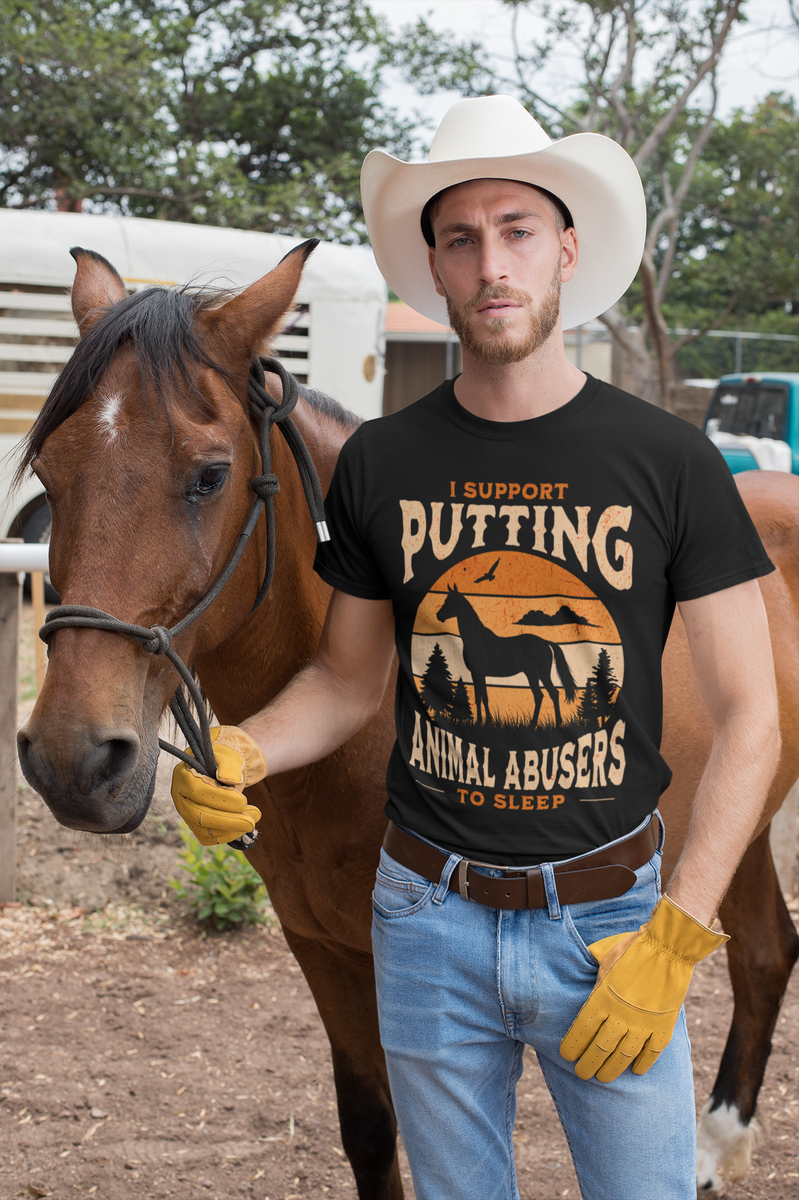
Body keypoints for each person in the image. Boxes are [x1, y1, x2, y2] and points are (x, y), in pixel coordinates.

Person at [171, 95, 780, 1199]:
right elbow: (348, 681)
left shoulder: (668, 462)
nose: (490, 263)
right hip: (426, 924)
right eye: (460, 238)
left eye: (516, 231)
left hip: (609, 925)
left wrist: (676, 937)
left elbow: (750, 720)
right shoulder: (382, 464)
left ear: (565, 251)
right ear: (434, 269)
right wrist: (244, 749)